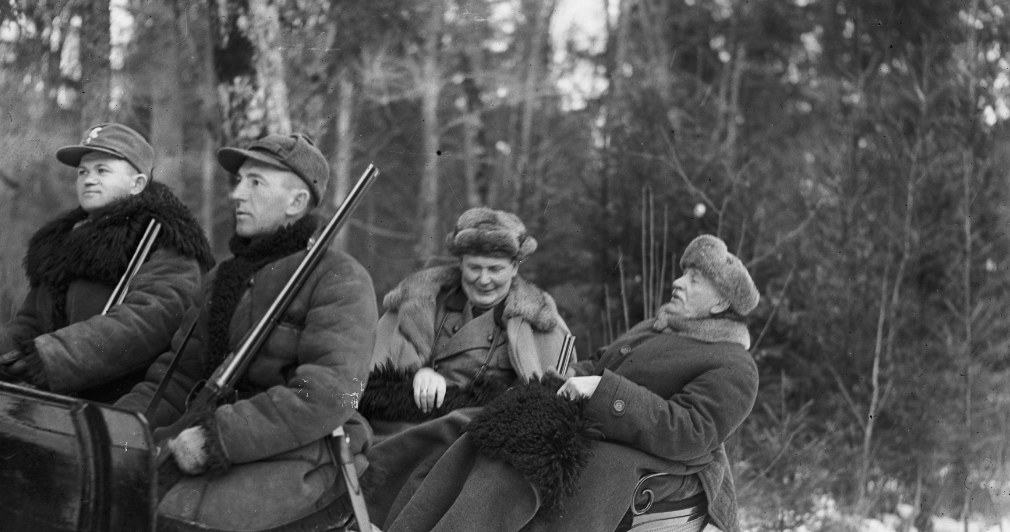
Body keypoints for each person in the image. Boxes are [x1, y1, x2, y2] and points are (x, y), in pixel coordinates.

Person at [372, 234, 760, 532]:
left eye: (693, 279)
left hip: (645, 459)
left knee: (511, 468)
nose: (678, 282)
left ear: (721, 304)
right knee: (468, 425)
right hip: (590, 426)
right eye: (683, 274)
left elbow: (692, 432)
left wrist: (602, 391)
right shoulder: (656, 328)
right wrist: (567, 380)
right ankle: (365, 498)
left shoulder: (733, 364)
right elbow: (598, 363)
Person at [114, 133, 378, 531]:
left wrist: (217, 436)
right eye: (238, 181)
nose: (237, 194)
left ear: (296, 202)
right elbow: (176, 376)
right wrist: (114, 427)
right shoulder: (223, 276)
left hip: (303, 449)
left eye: (255, 182)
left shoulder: (340, 277)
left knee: (179, 518)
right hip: (205, 436)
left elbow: (329, 393)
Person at [0, 123, 214, 403]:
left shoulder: (163, 237)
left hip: (128, 406)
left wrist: (51, 356)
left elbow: (149, 319)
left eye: (102, 170)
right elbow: (31, 323)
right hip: (59, 404)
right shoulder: (63, 242)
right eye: (82, 172)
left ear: (137, 183)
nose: (88, 179)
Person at [359, 206, 573, 437]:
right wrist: (417, 374)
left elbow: (557, 400)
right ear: (461, 263)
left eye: (495, 269)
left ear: (514, 267)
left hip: (482, 439)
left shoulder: (541, 322)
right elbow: (365, 376)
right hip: (406, 429)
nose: (484, 279)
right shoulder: (418, 301)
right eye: (474, 268)